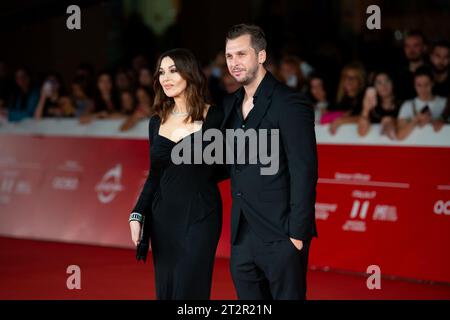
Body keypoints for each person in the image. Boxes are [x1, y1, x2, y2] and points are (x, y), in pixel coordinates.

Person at [223, 24, 318, 300]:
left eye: (242, 54)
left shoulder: (290, 104)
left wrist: (296, 236)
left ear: (261, 56)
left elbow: (304, 170)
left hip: (282, 235)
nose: (234, 63)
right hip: (242, 237)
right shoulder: (229, 105)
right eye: (229, 56)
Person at [128, 48, 226, 300]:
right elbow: (154, 176)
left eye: (173, 70)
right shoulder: (156, 121)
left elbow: (229, 165)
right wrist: (137, 213)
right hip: (163, 219)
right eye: (161, 72)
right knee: (168, 289)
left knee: (190, 287)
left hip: (200, 214)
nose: (165, 77)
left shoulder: (214, 116)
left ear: (189, 74)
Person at [396, 66, 447, 140]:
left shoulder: (445, 103)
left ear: (432, 83)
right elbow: (399, 136)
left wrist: (442, 121)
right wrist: (416, 120)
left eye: (426, 84)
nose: (423, 89)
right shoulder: (407, 105)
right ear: (414, 85)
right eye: (419, 85)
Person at [357, 71, 399, 139]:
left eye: (387, 81)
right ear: (374, 87)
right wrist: (366, 109)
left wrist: (393, 121)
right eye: (379, 83)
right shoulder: (372, 108)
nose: (383, 85)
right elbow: (362, 132)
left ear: (393, 83)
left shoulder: (403, 105)